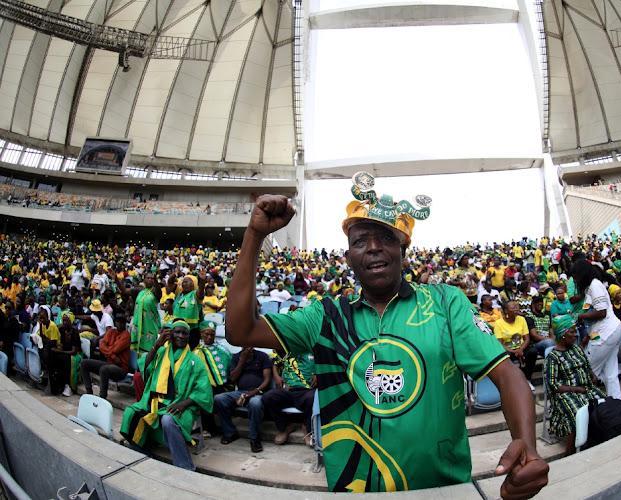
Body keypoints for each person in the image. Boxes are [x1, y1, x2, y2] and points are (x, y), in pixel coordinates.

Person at [225, 183, 548, 495]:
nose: (374, 247)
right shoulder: (325, 316)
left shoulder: (445, 302)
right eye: (361, 240)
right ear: (349, 257)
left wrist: (527, 445)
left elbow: (506, 375)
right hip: (358, 488)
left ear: (402, 249)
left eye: (385, 238)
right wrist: (255, 236)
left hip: (445, 488)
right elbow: (241, 332)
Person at [120, 320, 213, 471]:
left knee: (168, 419)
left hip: (181, 405)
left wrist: (183, 404)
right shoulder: (161, 352)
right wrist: (156, 345)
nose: (181, 336)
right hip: (154, 401)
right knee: (131, 412)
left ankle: (185, 467)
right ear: (171, 334)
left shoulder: (195, 361)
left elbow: (203, 392)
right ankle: (143, 451)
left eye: (185, 333)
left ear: (189, 336)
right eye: (177, 332)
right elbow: (144, 368)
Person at [545, 315, 605, 455]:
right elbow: (553, 385)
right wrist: (577, 389)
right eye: (571, 332)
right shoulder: (553, 357)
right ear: (562, 335)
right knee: (578, 414)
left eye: (575, 330)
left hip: (586, 388)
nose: (575, 334)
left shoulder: (576, 349)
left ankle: (597, 440)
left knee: (603, 404)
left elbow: (587, 366)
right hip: (565, 394)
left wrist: (592, 376)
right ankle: (571, 452)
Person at [572, 259, 621, 399]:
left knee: (587, 371)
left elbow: (602, 312)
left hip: (607, 332)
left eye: (576, 276)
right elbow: (593, 317)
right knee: (610, 374)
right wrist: (587, 336)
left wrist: (580, 316)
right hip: (606, 331)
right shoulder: (590, 288)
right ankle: (616, 405)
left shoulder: (595, 285)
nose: (575, 280)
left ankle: (587, 409)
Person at [212, 346, 272, 452]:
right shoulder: (236, 357)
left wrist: (255, 391)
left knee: (255, 403)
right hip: (240, 392)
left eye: (249, 343)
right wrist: (242, 360)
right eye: (244, 343)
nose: (247, 346)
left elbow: (267, 380)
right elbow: (233, 378)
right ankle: (230, 432)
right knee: (219, 398)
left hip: (258, 392)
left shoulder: (262, 356)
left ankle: (254, 438)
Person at [262, 351, 316, 446]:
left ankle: (307, 429)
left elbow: (326, 364)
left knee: (313, 398)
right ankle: (285, 427)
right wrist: (276, 376)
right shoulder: (287, 351)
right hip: (288, 390)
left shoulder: (313, 351)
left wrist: (319, 374)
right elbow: (275, 362)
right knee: (268, 397)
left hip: (307, 390)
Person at [111, 268, 161, 357]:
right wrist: (116, 279)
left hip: (150, 325)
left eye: (152, 278)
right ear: (144, 280)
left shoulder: (155, 292)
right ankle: (138, 368)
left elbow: (159, 292)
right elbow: (125, 291)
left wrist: (156, 280)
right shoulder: (139, 291)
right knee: (138, 350)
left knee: (149, 350)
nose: (150, 280)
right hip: (138, 324)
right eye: (148, 278)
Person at [80, 313, 130, 400]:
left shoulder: (126, 335)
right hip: (109, 362)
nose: (120, 324)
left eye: (122, 322)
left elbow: (115, 349)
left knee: (104, 369)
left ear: (125, 323)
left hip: (121, 368)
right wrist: (113, 356)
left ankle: (102, 398)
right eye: (118, 322)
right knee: (84, 363)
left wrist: (108, 350)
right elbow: (102, 345)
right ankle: (89, 393)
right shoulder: (111, 331)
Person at [48, 311, 82, 397]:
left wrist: (60, 351)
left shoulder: (75, 332)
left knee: (66, 358)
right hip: (64, 352)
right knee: (52, 355)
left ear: (71, 321)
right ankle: (54, 383)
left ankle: (68, 386)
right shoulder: (61, 330)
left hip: (73, 354)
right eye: (63, 320)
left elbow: (74, 351)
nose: (64, 323)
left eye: (66, 321)